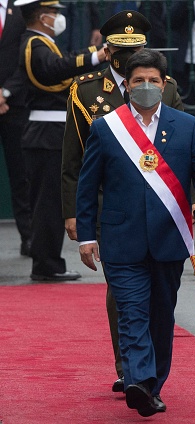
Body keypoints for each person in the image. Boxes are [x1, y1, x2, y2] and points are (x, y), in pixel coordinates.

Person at [76, 49, 195, 416]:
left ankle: (152, 384)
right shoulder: (106, 128)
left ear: (164, 84)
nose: (146, 86)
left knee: (160, 316)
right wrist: (87, 236)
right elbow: (87, 185)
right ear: (127, 85)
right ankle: (138, 381)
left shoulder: (187, 126)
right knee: (132, 312)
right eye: (138, 80)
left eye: (153, 80)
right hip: (121, 241)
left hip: (169, 239)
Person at [61, 9, 183, 394]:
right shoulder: (85, 91)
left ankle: (144, 366)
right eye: (121, 49)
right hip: (107, 204)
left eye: (137, 48)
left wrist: (189, 202)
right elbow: (73, 160)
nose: (128, 56)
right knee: (123, 288)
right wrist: (72, 214)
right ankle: (129, 366)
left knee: (161, 290)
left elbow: (180, 152)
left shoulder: (166, 86)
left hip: (159, 200)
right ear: (107, 48)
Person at [10, 0, 106, 280]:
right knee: (47, 204)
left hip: (48, 131)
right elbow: (55, 69)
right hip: (44, 132)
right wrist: (95, 56)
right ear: (42, 17)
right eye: (54, 13)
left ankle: (50, 262)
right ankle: (46, 265)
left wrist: (93, 56)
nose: (57, 18)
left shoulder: (41, 41)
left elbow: (62, 64)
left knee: (51, 202)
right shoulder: (34, 44)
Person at [0, 0, 32, 256]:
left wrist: (5, 92)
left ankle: (29, 237)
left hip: (14, 104)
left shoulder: (21, 10)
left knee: (21, 174)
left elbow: (27, 57)